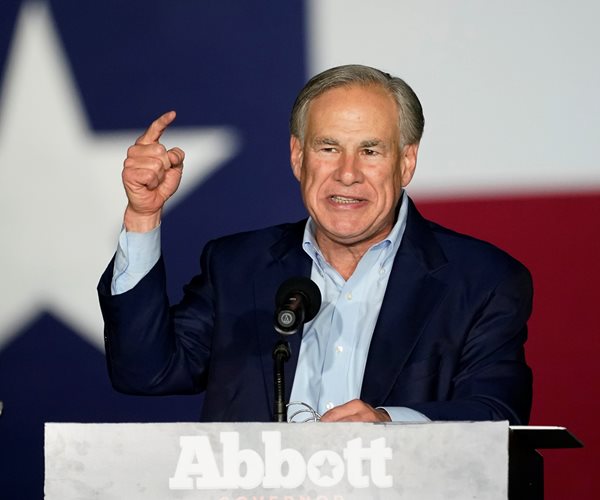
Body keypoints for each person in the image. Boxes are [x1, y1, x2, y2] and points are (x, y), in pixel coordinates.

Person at [98, 65, 533, 424]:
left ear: (406, 162)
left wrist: (388, 425)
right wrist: (143, 214)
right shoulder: (236, 266)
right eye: (328, 148)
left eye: (370, 151)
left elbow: (496, 414)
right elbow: (145, 372)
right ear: (297, 156)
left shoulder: (481, 280)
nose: (347, 173)